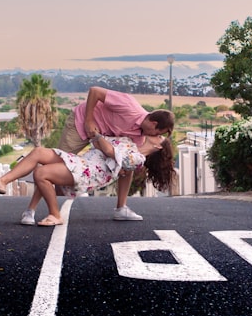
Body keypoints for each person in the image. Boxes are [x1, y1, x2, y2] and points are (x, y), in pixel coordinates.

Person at [0, 134, 174, 226]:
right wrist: (99, 137)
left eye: (161, 137)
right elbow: (101, 142)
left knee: (42, 174)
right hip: (81, 161)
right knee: (38, 152)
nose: (157, 135)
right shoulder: (129, 142)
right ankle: (2, 182)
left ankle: (55, 215)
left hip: (88, 172)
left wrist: (98, 137)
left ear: (158, 147)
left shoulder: (137, 159)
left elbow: (106, 148)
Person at [59, 86, 175, 221]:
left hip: (100, 137)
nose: (156, 136)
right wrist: (89, 120)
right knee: (59, 163)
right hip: (81, 123)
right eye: (158, 133)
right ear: (154, 124)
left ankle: (121, 208)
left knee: (128, 167)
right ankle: (54, 209)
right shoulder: (128, 106)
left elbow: (125, 160)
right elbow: (95, 91)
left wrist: (120, 166)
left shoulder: (139, 137)